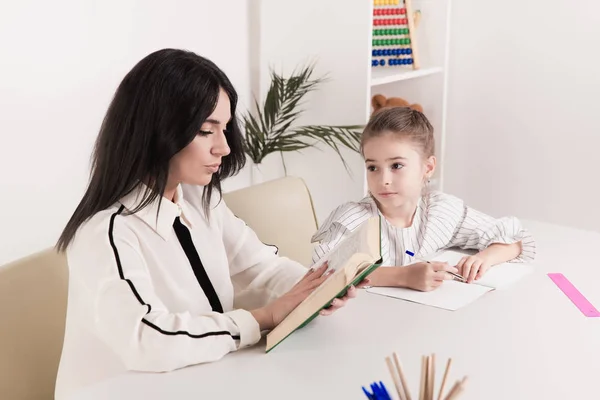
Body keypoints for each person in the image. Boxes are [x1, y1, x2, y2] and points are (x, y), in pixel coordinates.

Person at [54, 48, 364, 399]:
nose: (224, 147)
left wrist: (315, 289)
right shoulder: (105, 233)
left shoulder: (202, 202)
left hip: (204, 381)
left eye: (225, 128)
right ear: (157, 131)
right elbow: (149, 338)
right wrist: (261, 318)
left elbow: (260, 267)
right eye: (205, 130)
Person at [311, 106, 536, 292]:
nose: (384, 179)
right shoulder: (351, 219)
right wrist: (402, 276)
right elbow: (321, 273)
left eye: (396, 166)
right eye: (373, 167)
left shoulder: (440, 211)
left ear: (427, 167)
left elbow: (514, 240)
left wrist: (485, 258)